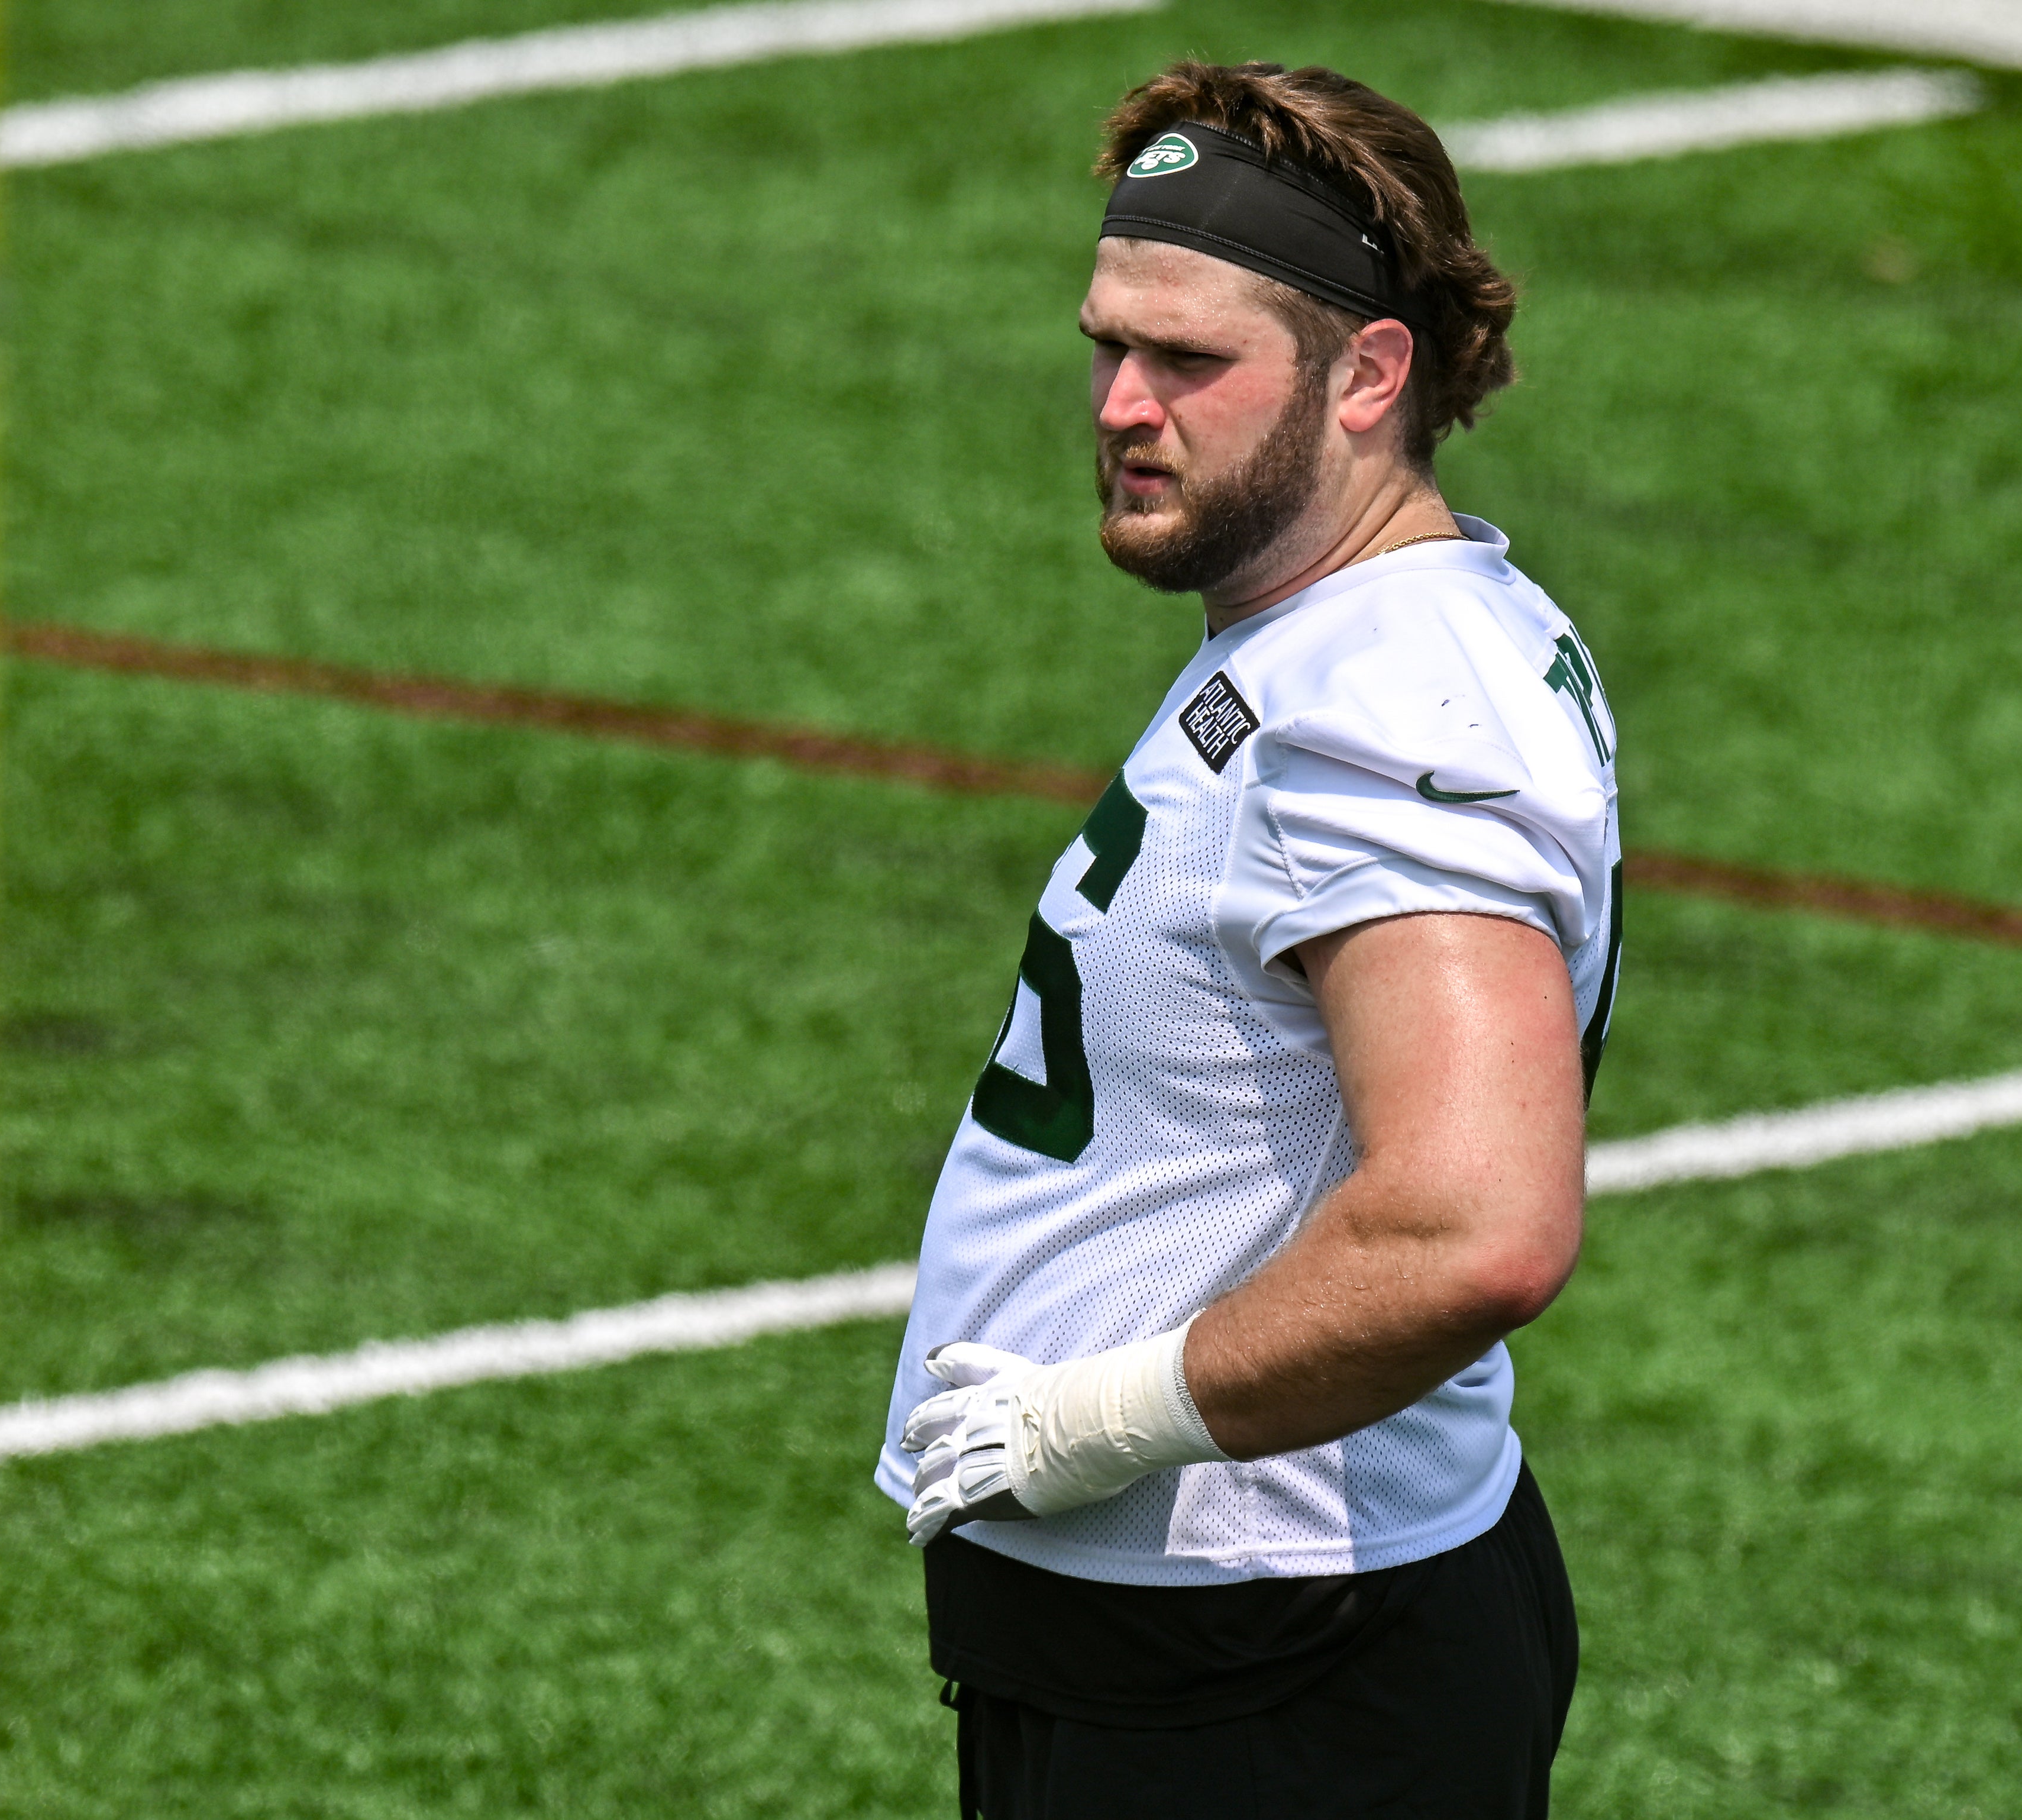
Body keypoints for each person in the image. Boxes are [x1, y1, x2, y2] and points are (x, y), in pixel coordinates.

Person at [874, 59, 1623, 1819]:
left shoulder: (1388, 703)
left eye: (1191, 362)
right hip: (1205, 1648)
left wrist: (1100, 1417)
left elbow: (1477, 1223)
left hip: (1272, 1670)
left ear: (1371, 375)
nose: (1122, 403)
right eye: (1106, 345)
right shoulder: (1339, 636)